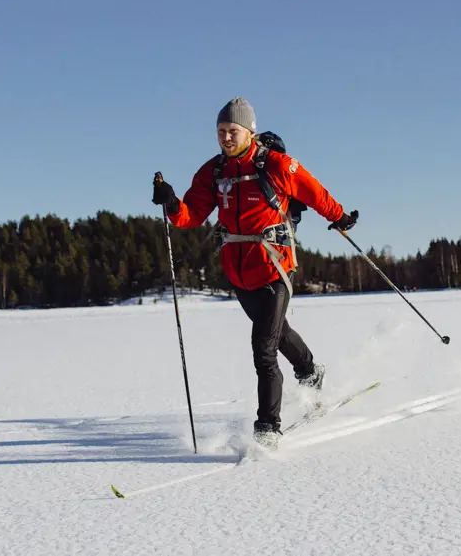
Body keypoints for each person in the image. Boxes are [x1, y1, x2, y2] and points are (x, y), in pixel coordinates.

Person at [152, 96, 358, 448]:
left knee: (263, 349)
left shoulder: (276, 164)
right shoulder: (213, 172)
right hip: (238, 272)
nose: (226, 138)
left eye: (232, 131)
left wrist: (338, 217)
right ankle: (310, 371)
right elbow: (191, 215)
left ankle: (267, 428)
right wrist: (171, 201)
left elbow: (314, 191)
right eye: (220, 132)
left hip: (274, 265)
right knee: (277, 334)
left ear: (249, 131)